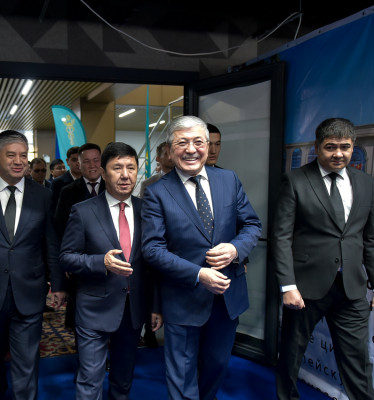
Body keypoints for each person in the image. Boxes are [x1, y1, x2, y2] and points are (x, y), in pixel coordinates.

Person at [141, 115, 261, 400]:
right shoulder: (157, 192)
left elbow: (251, 225)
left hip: (226, 298)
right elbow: (152, 248)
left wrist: (235, 249)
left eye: (198, 142)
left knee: (216, 365)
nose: (191, 149)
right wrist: (198, 274)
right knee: (181, 374)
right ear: (170, 149)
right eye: (182, 143)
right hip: (182, 298)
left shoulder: (229, 179)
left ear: (208, 146)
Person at [272, 117, 374, 400]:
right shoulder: (295, 180)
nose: (338, 154)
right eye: (330, 147)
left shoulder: (366, 183)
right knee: (291, 354)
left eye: (345, 147)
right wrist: (288, 285)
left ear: (353, 147)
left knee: (357, 361)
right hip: (305, 288)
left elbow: (370, 239)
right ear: (317, 147)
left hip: (351, 288)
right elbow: (281, 237)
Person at [60, 142, 162, 400]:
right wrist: (100, 262)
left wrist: (155, 305)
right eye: (117, 168)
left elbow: (154, 265)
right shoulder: (83, 211)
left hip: (133, 309)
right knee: (90, 379)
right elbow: (67, 258)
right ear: (103, 173)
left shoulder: (147, 211)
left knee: (123, 379)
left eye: (131, 167)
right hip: (93, 309)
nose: (125, 175)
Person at [0, 130, 67, 400]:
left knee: (27, 362)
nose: (18, 161)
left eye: (23, 155)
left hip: (29, 291)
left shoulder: (43, 195)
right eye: (11, 155)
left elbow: (51, 242)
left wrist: (58, 284)